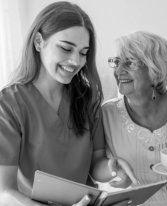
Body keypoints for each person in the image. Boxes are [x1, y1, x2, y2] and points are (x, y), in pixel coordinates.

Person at [0, 2, 137, 206]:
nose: (75, 61)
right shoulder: (9, 104)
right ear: (39, 42)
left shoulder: (87, 98)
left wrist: (113, 168)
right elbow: (4, 192)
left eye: (83, 53)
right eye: (66, 48)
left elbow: (95, 164)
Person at [102, 31, 167, 206]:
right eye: (116, 62)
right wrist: (113, 174)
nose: (119, 71)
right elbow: (96, 167)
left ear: (155, 70)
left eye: (130, 62)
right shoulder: (106, 114)